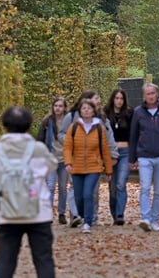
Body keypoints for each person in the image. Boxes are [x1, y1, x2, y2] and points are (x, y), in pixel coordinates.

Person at [0, 106, 59, 278]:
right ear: (28, 124)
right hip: (38, 212)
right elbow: (51, 166)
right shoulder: (38, 149)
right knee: (43, 260)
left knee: (5, 260)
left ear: (5, 124)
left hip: (6, 212)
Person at [59, 90, 118, 227]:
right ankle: (77, 215)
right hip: (76, 162)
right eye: (95, 98)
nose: (98, 101)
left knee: (91, 192)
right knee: (77, 192)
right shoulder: (71, 119)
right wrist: (70, 149)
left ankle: (90, 218)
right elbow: (64, 139)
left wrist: (111, 160)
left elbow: (107, 142)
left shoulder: (102, 122)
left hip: (94, 164)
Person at [129, 83, 159, 232]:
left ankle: (155, 219)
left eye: (153, 93)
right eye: (148, 94)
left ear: (157, 94)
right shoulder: (138, 112)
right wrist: (132, 158)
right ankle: (145, 217)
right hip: (144, 156)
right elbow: (134, 135)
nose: (151, 96)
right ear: (144, 96)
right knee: (144, 188)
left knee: (158, 191)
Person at [36, 97, 70, 224]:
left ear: (65, 107)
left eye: (60, 106)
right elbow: (40, 138)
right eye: (56, 105)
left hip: (64, 159)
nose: (58, 108)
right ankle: (48, 213)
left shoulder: (69, 121)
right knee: (50, 186)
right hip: (50, 158)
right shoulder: (47, 121)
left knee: (62, 187)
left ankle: (61, 213)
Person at [104, 88, 133, 225]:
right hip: (110, 153)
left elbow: (133, 134)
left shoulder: (129, 113)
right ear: (112, 99)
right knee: (113, 187)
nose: (119, 101)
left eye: (121, 98)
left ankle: (120, 214)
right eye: (117, 98)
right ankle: (114, 213)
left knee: (121, 184)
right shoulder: (105, 114)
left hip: (125, 152)